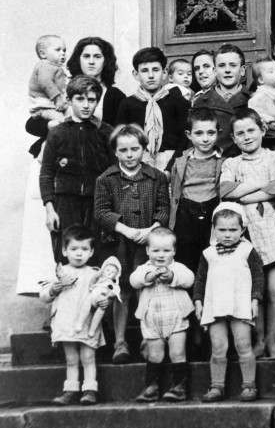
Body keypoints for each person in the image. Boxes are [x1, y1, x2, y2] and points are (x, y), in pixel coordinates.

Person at [94, 123, 170, 364]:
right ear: (115, 152)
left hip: (147, 242)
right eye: (123, 150)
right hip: (118, 244)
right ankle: (120, 342)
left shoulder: (156, 177)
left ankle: (149, 340)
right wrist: (126, 230)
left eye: (135, 149)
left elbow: (163, 208)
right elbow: (101, 212)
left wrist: (151, 230)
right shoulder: (106, 179)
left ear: (144, 150)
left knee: (146, 287)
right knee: (121, 291)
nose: (129, 155)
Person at [219, 109, 275, 358]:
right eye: (240, 133)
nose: (247, 137)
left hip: (270, 226)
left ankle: (273, 342)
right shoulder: (231, 163)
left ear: (262, 130)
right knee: (254, 291)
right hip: (245, 230)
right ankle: (259, 342)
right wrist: (264, 185)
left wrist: (246, 194)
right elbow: (226, 191)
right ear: (234, 138)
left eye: (251, 130)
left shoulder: (274, 157)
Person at [193, 203, 264, 402]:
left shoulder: (248, 250)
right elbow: (200, 279)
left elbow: (258, 276)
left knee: (243, 344)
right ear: (214, 230)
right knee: (218, 346)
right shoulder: (208, 253)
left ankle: (249, 385)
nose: (227, 234)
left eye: (233, 230)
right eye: (222, 230)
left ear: (242, 229)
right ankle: (217, 386)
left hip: (239, 303)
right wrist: (198, 301)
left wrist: (255, 299)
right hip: (215, 304)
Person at [39, 75, 113, 263]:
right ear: (70, 100)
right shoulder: (57, 132)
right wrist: (50, 209)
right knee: (66, 256)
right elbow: (46, 173)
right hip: (65, 202)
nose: (86, 105)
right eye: (80, 99)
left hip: (97, 203)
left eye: (91, 99)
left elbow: (114, 172)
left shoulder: (105, 132)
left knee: (95, 256)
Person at [39, 225, 110, 405]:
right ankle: (70, 390)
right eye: (74, 249)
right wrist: (54, 289)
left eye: (84, 249)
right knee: (71, 359)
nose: (79, 253)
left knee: (88, 357)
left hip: (87, 324)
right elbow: (44, 296)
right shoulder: (59, 272)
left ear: (92, 251)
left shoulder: (94, 274)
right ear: (64, 250)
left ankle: (90, 390)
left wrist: (103, 301)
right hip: (66, 322)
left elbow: (102, 293)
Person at [130, 227, 194, 402]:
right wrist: (149, 277)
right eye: (156, 250)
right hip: (152, 319)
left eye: (166, 251)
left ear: (174, 251)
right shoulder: (144, 269)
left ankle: (179, 387)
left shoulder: (178, 267)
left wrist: (172, 276)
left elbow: (189, 279)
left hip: (176, 317)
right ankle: (151, 388)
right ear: (147, 250)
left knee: (177, 352)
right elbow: (134, 281)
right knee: (155, 354)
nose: (161, 255)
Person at [115, 46, 189, 171]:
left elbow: (185, 138)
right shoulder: (127, 104)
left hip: (172, 161)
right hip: (138, 162)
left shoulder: (178, 102)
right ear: (136, 74)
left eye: (155, 70)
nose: (150, 75)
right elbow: (120, 139)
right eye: (144, 71)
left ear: (164, 73)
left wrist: (171, 168)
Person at [169, 107, 223, 275]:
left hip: (211, 212)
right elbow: (174, 191)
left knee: (211, 261)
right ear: (188, 135)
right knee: (186, 261)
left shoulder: (224, 161)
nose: (205, 139)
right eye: (199, 133)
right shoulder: (180, 162)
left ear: (218, 133)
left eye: (210, 133)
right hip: (186, 213)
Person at [191, 45, 250, 157]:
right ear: (215, 71)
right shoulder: (201, 102)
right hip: (213, 164)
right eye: (222, 66)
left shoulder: (252, 100)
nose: (227, 70)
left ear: (242, 70)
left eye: (233, 65)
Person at [67, 36, 125, 126]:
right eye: (86, 56)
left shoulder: (115, 96)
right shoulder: (61, 89)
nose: (91, 61)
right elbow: (38, 123)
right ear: (78, 60)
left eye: (97, 57)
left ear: (106, 61)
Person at [28, 34, 68, 127]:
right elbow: (45, 82)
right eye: (58, 50)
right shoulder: (44, 66)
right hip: (44, 107)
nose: (63, 53)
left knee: (68, 117)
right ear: (43, 54)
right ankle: (52, 132)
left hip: (52, 105)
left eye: (64, 50)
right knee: (63, 121)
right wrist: (58, 98)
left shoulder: (56, 67)